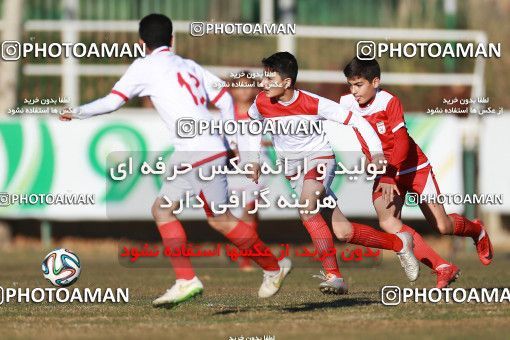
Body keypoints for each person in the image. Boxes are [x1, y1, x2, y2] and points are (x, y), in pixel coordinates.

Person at [59, 13, 292, 307]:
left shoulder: (144, 66)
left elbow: (113, 102)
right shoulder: (188, 64)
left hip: (198, 149)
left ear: (141, 43)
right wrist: (231, 138)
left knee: (220, 220)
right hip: (199, 148)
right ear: (172, 39)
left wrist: (77, 111)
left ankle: (273, 267)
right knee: (163, 210)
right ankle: (186, 279)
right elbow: (222, 96)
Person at [239, 52, 420, 294]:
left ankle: (334, 276)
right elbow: (251, 124)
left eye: (269, 79)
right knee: (343, 232)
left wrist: (376, 153)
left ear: (286, 82)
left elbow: (357, 120)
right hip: (293, 171)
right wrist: (252, 158)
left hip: (319, 159)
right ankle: (399, 243)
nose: (263, 83)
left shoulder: (314, 103)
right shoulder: (262, 102)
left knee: (306, 208)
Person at [339, 56, 493, 288]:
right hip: (386, 173)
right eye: (350, 84)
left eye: (359, 84)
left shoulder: (388, 101)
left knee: (442, 227)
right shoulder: (346, 103)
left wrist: (391, 173)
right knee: (389, 222)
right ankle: (443, 267)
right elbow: (318, 113)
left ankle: (478, 231)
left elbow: (400, 140)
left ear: (376, 82)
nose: (354, 90)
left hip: (413, 168)